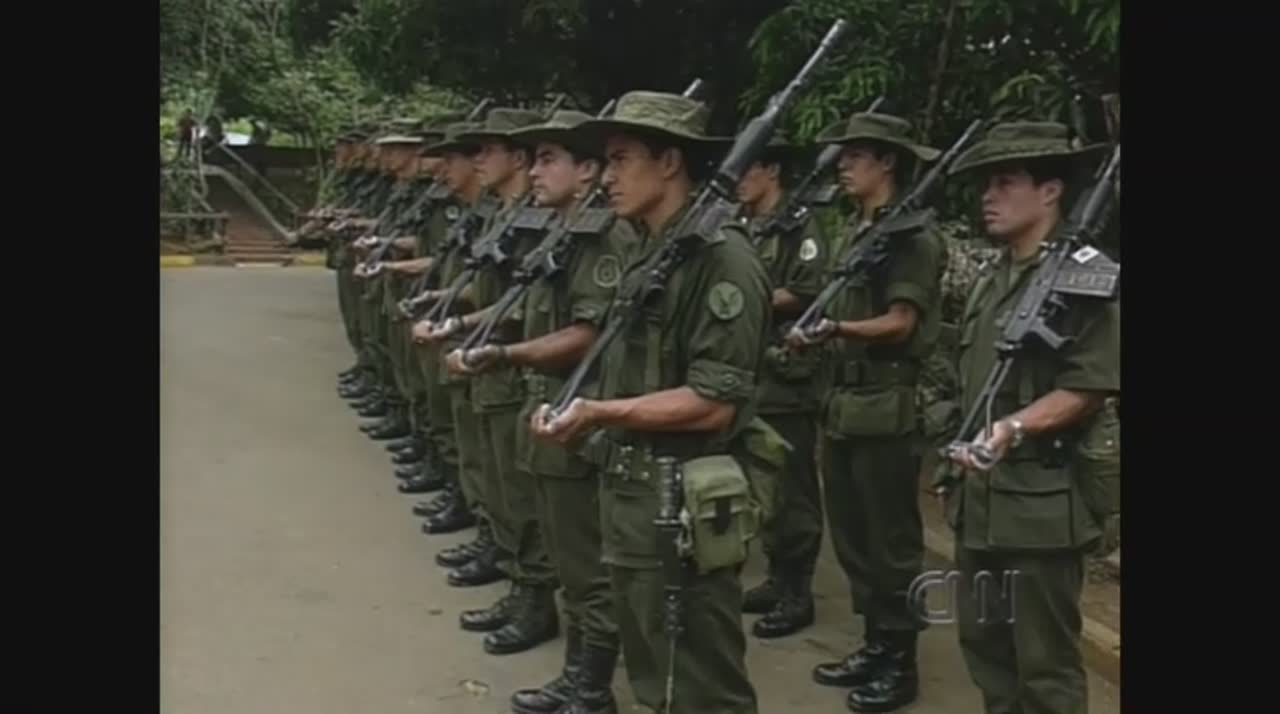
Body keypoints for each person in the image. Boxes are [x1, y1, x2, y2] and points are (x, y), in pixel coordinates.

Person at [530, 89, 768, 714]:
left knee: (700, 683)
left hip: (683, 504)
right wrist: (578, 406)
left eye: (621, 159)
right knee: (653, 675)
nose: (606, 177)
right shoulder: (647, 248)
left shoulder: (722, 259)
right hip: (631, 495)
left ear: (669, 162)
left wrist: (599, 413)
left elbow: (715, 401)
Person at [445, 108, 637, 713]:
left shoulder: (605, 238)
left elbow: (587, 332)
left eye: (549, 159)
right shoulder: (562, 230)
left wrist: (505, 353)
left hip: (579, 415)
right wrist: (470, 330)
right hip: (547, 403)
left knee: (585, 561)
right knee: (554, 539)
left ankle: (590, 685)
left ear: (586, 172)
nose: (534, 170)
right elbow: (528, 310)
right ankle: (571, 661)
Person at [940, 120, 1119, 714]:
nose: (988, 196)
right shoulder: (994, 276)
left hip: (1040, 506)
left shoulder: (1085, 276)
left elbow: (1088, 386)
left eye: (1005, 181)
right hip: (978, 499)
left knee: (1044, 666)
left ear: (1050, 191)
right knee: (986, 648)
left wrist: (1015, 427)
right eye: (985, 184)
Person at [785, 110, 946, 713]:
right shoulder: (860, 230)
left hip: (886, 403)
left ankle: (900, 662)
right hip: (844, 404)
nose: (843, 166)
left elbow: (901, 322)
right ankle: (875, 644)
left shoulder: (912, 237)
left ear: (887, 162)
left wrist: (836, 329)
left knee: (892, 545)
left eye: (856, 156)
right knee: (853, 539)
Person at [734, 137, 828, 639]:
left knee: (792, 491)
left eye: (747, 169)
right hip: (753, 375)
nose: (738, 180)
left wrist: (744, 300)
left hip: (787, 379)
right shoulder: (745, 225)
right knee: (764, 486)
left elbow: (809, 289)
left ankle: (798, 592)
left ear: (771, 171)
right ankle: (776, 576)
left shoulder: (800, 225)